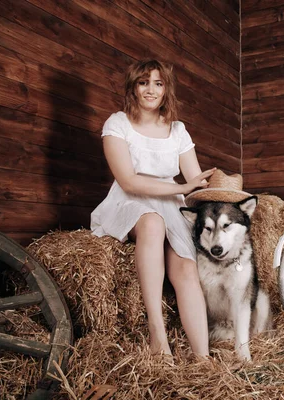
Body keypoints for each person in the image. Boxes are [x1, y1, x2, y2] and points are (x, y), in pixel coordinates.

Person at [90, 59, 215, 359]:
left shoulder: (178, 130)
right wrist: (180, 190)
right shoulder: (117, 124)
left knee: (185, 266)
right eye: (144, 82)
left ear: (166, 90)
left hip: (171, 204)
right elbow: (129, 181)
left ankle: (203, 357)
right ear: (133, 87)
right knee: (152, 222)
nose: (151, 90)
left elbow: (195, 182)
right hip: (130, 200)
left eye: (158, 83)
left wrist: (218, 199)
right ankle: (157, 335)